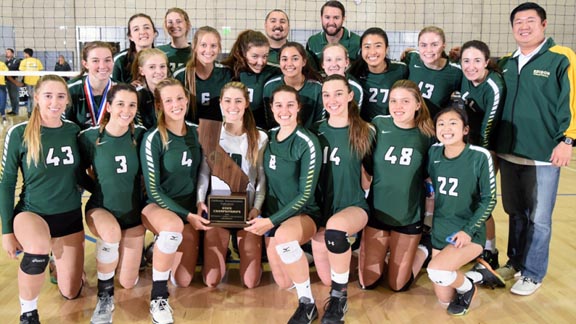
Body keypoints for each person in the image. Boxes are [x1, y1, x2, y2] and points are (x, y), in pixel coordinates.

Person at [495, 2, 576, 296]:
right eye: (518, 21)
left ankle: (533, 273)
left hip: (544, 155)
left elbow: (572, 100)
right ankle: (514, 263)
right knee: (515, 213)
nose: (524, 26)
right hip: (509, 152)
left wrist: (568, 140)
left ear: (544, 24)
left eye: (530, 20)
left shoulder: (560, 58)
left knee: (539, 219)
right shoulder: (504, 63)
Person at [0, 75, 84, 324]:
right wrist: (6, 231)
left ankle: (55, 260)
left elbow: (83, 175)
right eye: (48, 96)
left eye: (60, 96)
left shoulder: (73, 131)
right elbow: (6, 184)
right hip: (32, 213)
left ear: (67, 100)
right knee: (37, 250)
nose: (54, 102)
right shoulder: (20, 133)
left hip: (69, 216)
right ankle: (28, 312)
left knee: (71, 292)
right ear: (36, 98)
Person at [245, 85, 321, 324]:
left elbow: (306, 194)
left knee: (285, 241)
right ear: (271, 108)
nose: (284, 110)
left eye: (290, 104)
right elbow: (262, 181)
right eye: (278, 105)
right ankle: (302, 257)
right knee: (284, 281)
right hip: (272, 216)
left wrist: (271, 222)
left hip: (304, 213)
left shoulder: (307, 142)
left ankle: (307, 304)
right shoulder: (268, 138)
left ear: (298, 107)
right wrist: (257, 210)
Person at [140, 78, 208, 324]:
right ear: (159, 105)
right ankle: (158, 297)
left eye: (180, 98)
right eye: (168, 100)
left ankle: (158, 249)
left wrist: (199, 202)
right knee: (172, 229)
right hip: (158, 207)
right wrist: (187, 216)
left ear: (187, 100)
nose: (176, 104)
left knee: (184, 280)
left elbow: (203, 171)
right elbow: (154, 190)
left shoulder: (197, 132)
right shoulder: (153, 138)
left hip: (189, 210)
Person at [78, 84, 146, 324]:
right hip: (101, 209)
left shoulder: (140, 135)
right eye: (120, 104)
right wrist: (98, 188)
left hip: (133, 215)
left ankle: (124, 261)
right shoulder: (89, 137)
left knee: (128, 282)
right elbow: (77, 173)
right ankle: (104, 297)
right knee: (111, 233)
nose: (126, 110)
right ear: (108, 106)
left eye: (131, 105)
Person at [358, 80, 435, 293]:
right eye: (393, 101)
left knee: (398, 285)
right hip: (378, 214)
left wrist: (429, 219)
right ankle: (384, 253)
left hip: (408, 217)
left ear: (418, 104)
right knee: (368, 282)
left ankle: (423, 249)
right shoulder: (378, 124)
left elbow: (430, 181)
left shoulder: (427, 134)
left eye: (405, 101)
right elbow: (365, 166)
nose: (398, 106)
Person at [310, 74, 372, 323]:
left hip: (353, 206)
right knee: (327, 276)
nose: (331, 100)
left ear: (349, 96)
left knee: (335, 232)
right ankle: (352, 259)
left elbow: (372, 175)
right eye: (326, 94)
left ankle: (339, 299)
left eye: (338, 94)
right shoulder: (314, 130)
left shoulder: (365, 130)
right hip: (322, 210)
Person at [426, 106, 497, 316]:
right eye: (441, 124)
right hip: (441, 230)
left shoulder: (479, 156)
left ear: (465, 130)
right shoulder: (433, 153)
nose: (446, 128)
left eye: (453, 123)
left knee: (436, 271)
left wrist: (468, 230)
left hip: (469, 232)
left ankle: (468, 285)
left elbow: (489, 199)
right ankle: (478, 274)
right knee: (444, 299)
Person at [197, 82, 268, 288]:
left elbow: (261, 177)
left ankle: (244, 247)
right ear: (220, 103)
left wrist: (257, 208)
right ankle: (221, 250)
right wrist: (201, 201)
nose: (232, 106)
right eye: (227, 100)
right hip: (218, 212)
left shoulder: (259, 136)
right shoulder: (210, 133)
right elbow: (204, 172)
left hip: (247, 213)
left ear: (246, 103)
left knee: (251, 282)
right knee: (211, 281)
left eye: (238, 101)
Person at [458, 40, 506, 280]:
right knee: (464, 199)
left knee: (481, 201)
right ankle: (470, 248)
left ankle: (491, 252)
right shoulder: (463, 77)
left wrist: (479, 157)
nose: (471, 66)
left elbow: (488, 127)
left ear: (487, 62)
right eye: (466, 61)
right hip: (467, 145)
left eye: (477, 60)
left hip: (486, 149)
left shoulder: (493, 86)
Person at [221, 29, 280, 128]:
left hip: (260, 131)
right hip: (229, 130)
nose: (260, 62)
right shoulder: (227, 72)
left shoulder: (273, 72)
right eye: (255, 56)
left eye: (265, 56)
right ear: (243, 53)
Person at [173, 26, 232, 123]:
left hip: (218, 132)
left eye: (213, 46)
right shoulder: (180, 75)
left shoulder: (226, 73)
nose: (208, 50)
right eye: (203, 45)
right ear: (194, 47)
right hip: (188, 132)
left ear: (219, 48)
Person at [348, 27, 408, 121]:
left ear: (386, 49)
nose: (372, 52)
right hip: (364, 128)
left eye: (378, 46)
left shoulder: (401, 69)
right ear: (361, 50)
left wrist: (411, 53)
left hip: (392, 127)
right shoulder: (354, 73)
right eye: (367, 47)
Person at [402, 26, 462, 117]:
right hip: (407, 120)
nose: (428, 50)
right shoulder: (411, 58)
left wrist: (466, 57)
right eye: (423, 45)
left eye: (434, 45)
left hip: (432, 125)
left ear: (443, 46)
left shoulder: (456, 71)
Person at [263, 42, 323, 130]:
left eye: (295, 59)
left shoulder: (317, 88)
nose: (289, 63)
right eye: (284, 59)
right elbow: (269, 122)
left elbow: (319, 123)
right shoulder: (270, 86)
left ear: (304, 62)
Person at [66, 41, 115, 130]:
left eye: (107, 60)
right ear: (85, 64)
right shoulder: (70, 90)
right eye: (95, 61)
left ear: (112, 61)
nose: (102, 66)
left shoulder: (121, 90)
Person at [306, 1, 361, 70]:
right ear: (321, 18)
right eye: (327, 17)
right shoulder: (313, 42)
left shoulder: (358, 42)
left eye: (336, 18)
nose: (331, 22)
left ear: (343, 19)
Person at [113, 13, 158, 83]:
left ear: (154, 33)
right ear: (130, 37)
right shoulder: (119, 60)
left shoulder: (162, 58)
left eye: (146, 27)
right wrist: (129, 88)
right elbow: (112, 89)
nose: (142, 32)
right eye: (136, 29)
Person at [131, 48, 169, 129]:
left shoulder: (177, 92)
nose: (158, 71)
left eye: (162, 66)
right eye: (152, 67)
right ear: (141, 71)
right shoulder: (136, 97)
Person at [321, 43, 363, 109]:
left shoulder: (354, 88)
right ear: (323, 64)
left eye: (338, 59)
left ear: (346, 62)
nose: (334, 64)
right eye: (329, 60)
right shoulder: (318, 84)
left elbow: (353, 117)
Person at [157, 8, 192, 74]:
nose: (174, 25)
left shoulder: (197, 52)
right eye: (170, 22)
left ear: (187, 24)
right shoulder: (159, 52)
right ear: (166, 25)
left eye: (178, 21)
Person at [19, 48, 44, 118]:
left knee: (31, 97)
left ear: (27, 54)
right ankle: (32, 112)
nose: (24, 55)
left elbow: (21, 72)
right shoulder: (37, 61)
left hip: (29, 81)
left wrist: (20, 81)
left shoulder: (23, 62)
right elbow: (41, 71)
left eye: (24, 53)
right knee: (33, 97)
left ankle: (31, 112)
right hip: (36, 81)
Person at [5, 48, 22, 116]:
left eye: (8, 52)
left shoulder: (16, 61)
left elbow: (13, 69)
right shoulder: (6, 62)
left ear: (12, 53)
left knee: (15, 96)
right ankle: (13, 110)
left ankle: (16, 111)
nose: (7, 53)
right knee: (11, 96)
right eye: (6, 52)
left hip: (14, 81)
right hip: (7, 81)